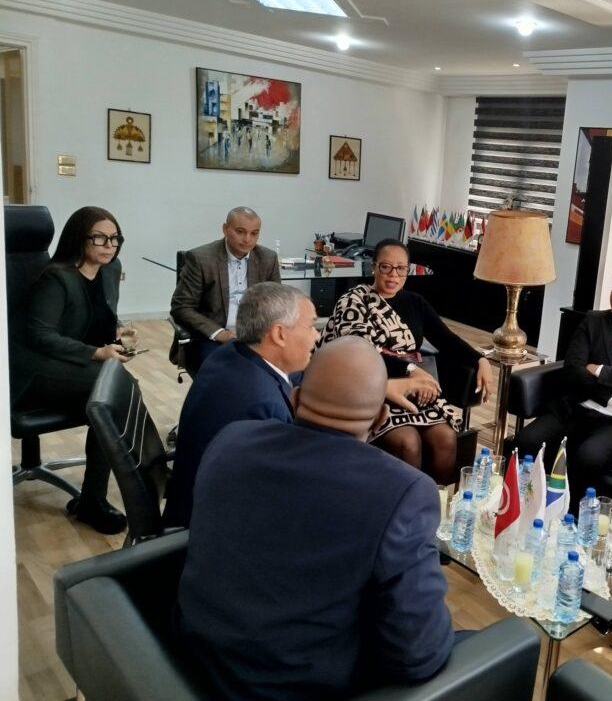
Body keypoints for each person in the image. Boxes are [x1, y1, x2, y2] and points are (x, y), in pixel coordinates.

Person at [175, 337, 454, 700]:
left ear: (294, 399)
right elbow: (420, 655)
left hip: (189, 661)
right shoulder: (403, 492)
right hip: (296, 688)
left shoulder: (231, 439)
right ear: (381, 418)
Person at [316, 238, 492, 484]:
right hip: (370, 388)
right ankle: (406, 505)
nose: (393, 275)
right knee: (408, 443)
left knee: (446, 439)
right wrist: (410, 369)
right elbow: (359, 354)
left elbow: (446, 339)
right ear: (373, 267)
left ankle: (437, 502)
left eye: (401, 268)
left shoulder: (414, 302)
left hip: (414, 391)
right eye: (386, 267)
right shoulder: (353, 301)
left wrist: (480, 359)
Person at [512, 265, 612, 509]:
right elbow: (573, 370)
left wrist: (599, 370)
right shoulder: (594, 321)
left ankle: (569, 518)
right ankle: (521, 508)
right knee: (526, 440)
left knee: (587, 456)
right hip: (576, 407)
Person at [162, 283, 319, 528]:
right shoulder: (262, 405)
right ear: (279, 334)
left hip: (191, 497)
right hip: (213, 527)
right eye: (311, 326)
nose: (317, 335)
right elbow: (278, 494)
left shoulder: (231, 353)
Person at [21, 206, 131, 534]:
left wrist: (120, 335)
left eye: (114, 238)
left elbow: (100, 318)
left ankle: (93, 499)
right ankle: (96, 499)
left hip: (77, 365)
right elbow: (40, 336)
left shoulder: (111, 270)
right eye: (99, 237)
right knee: (112, 389)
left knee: (110, 393)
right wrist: (96, 352)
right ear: (79, 238)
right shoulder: (57, 277)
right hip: (37, 370)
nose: (109, 245)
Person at [169, 206, 280, 372]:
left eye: (254, 233)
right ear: (225, 229)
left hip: (254, 336)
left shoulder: (268, 259)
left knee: (290, 368)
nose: (247, 239)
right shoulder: (201, 259)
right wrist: (219, 333)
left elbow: (277, 305)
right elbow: (181, 307)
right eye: (240, 232)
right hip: (211, 338)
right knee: (227, 372)